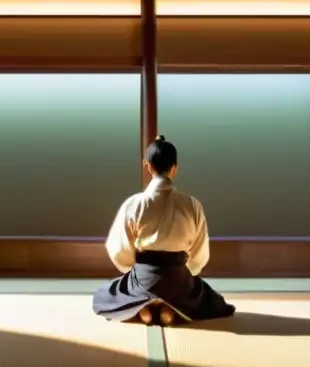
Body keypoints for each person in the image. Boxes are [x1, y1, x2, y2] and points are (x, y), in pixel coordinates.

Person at [92, 135, 236, 326]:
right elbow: (200, 254)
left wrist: (133, 270)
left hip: (144, 280)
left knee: (105, 294)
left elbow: (118, 249)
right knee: (209, 299)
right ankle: (170, 308)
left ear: (148, 166)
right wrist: (189, 272)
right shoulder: (192, 205)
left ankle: (145, 308)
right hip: (178, 282)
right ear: (174, 168)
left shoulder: (133, 204)